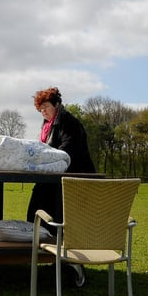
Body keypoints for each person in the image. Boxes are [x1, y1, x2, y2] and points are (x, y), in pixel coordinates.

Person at [26, 87, 96, 231]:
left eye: (46, 106)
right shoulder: (47, 126)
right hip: (53, 176)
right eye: (40, 109)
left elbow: (66, 151)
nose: (43, 111)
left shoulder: (69, 123)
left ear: (56, 104)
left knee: (46, 208)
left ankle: (50, 243)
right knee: (36, 206)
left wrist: (43, 159)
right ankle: (39, 241)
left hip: (72, 178)